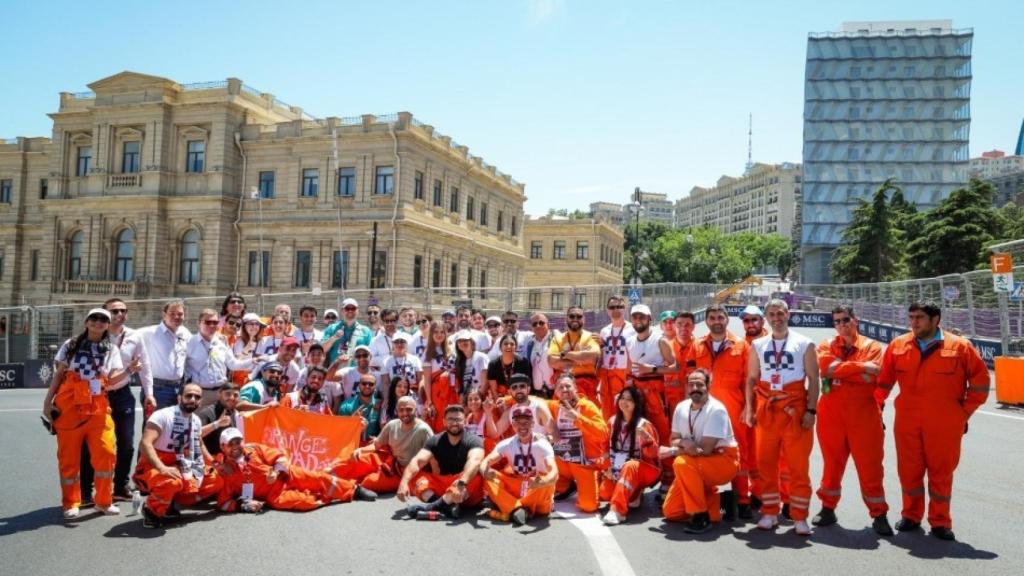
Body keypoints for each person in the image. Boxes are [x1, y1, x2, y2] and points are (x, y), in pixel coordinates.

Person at [875, 301, 989, 541]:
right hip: (907, 421)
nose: (914, 322)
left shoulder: (960, 347)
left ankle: (940, 521)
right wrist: (877, 407)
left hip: (944, 423)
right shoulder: (898, 346)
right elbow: (883, 382)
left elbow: (980, 385)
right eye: (911, 317)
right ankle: (911, 515)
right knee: (909, 471)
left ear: (935, 319)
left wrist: (962, 414)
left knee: (941, 473)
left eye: (919, 318)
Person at [810, 305, 891, 535]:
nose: (841, 324)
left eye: (845, 319)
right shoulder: (826, 345)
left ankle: (879, 514)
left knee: (870, 467)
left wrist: (841, 370)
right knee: (831, 465)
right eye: (836, 321)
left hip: (864, 417)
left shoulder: (871, 346)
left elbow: (873, 374)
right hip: (831, 416)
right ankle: (827, 508)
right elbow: (826, 369)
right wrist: (861, 368)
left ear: (855, 320)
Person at [744, 298, 819, 535]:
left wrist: (811, 410)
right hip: (767, 410)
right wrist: (748, 408)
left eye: (780, 313)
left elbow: (814, 380)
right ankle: (769, 512)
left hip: (794, 410)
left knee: (798, 467)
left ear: (788, 314)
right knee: (766, 465)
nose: (776, 318)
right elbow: (751, 379)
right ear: (766, 317)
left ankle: (799, 516)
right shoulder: (757, 344)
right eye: (772, 314)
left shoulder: (804, 343)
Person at [42, 308, 126, 519]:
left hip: (98, 408)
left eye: (104, 320)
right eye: (95, 318)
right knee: (68, 457)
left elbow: (114, 380)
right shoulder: (70, 345)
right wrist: (47, 403)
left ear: (108, 325)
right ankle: (71, 502)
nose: (99, 322)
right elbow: (59, 374)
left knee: (106, 453)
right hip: (68, 406)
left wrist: (131, 370)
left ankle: (104, 501)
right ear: (87, 322)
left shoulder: (112, 349)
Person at [80, 298, 152, 503]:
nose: (120, 314)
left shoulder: (135, 336)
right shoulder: (93, 336)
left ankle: (120, 485)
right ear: (104, 314)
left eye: (123, 310)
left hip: (122, 394)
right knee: (92, 445)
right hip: (96, 396)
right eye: (115, 311)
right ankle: (86, 490)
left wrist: (150, 393)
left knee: (127, 443)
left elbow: (145, 366)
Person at [214, 427, 374, 513]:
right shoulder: (224, 470)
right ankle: (329, 495)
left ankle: (354, 490)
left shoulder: (254, 448)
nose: (235, 447)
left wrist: (276, 472)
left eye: (238, 442)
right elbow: (223, 503)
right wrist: (244, 506)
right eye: (231, 444)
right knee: (305, 504)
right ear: (222, 447)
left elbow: (281, 458)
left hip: (287, 475)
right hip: (273, 496)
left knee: (319, 478)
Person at [693, 304, 755, 521]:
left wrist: (748, 407)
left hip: (733, 408)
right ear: (707, 321)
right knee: (704, 449)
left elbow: (749, 379)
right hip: (705, 408)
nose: (716, 321)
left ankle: (743, 499)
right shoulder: (697, 345)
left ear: (727, 319)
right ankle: (708, 497)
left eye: (720, 317)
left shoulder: (742, 345)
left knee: (739, 452)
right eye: (712, 317)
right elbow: (690, 378)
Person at [662, 370, 740, 534]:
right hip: (695, 463)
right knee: (671, 512)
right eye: (691, 384)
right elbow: (674, 438)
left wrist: (674, 450)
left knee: (681, 463)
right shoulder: (681, 408)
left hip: (723, 461)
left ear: (709, 386)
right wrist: (684, 442)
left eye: (700, 384)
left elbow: (704, 450)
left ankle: (700, 516)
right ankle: (722, 502)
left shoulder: (717, 410)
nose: (695, 388)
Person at [135, 383, 221, 528]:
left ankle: (169, 503)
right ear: (179, 398)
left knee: (215, 479)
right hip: (154, 464)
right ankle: (151, 510)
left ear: (200, 401)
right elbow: (145, 444)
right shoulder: (162, 415)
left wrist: (213, 462)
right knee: (172, 481)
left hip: (181, 462)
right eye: (189, 396)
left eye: (197, 397)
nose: (193, 399)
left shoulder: (196, 420)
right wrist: (162, 468)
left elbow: (198, 443)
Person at [398, 405, 487, 519]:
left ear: (464, 421)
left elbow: (475, 461)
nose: (454, 423)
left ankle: (434, 506)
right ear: (444, 422)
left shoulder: (474, 440)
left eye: (458, 419)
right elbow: (418, 461)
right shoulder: (435, 440)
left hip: (465, 487)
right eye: (450, 419)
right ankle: (446, 505)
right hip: (444, 487)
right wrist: (403, 482)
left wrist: (461, 483)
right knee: (414, 477)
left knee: (476, 475)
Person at [332, 396, 433, 494]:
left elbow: (434, 455)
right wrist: (361, 450)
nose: (405, 413)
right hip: (392, 467)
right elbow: (376, 445)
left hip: (411, 474)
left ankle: (351, 488)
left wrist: (437, 478)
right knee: (358, 460)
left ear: (415, 410)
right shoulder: (392, 425)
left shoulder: (423, 430)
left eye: (409, 409)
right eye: (401, 410)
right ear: (396, 411)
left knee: (368, 482)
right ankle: (329, 476)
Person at [479, 405, 559, 526]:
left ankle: (512, 508)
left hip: (536, 488)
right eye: (518, 422)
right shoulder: (507, 443)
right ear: (513, 425)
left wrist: (543, 481)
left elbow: (554, 472)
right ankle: (518, 509)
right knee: (489, 478)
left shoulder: (542, 444)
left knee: (548, 480)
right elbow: (487, 461)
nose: (522, 426)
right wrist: (484, 471)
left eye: (526, 422)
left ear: (532, 423)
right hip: (518, 485)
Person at [548, 374, 608, 513]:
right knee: (542, 458)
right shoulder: (554, 406)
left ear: (575, 388)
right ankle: (565, 487)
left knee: (588, 506)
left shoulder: (587, 406)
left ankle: (597, 480)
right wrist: (507, 400)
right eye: (560, 387)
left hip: (584, 463)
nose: (564, 389)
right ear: (556, 392)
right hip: (563, 460)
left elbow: (603, 432)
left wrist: (578, 418)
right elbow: (533, 401)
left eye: (568, 386)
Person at [600, 387, 660, 526]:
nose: (624, 402)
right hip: (617, 467)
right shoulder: (612, 421)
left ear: (636, 404)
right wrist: (606, 467)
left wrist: (646, 439)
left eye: (629, 400)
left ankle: (617, 511)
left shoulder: (644, 425)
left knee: (630, 465)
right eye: (622, 398)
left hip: (644, 469)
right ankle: (635, 493)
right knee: (605, 493)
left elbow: (653, 455)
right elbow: (604, 448)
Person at [625, 304, 678, 447]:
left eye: (641, 317)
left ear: (649, 319)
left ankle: (666, 465)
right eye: (634, 317)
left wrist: (652, 369)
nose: (637, 320)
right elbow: (629, 369)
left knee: (661, 429)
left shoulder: (660, 340)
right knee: (638, 427)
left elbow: (675, 368)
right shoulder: (629, 341)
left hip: (655, 391)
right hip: (637, 391)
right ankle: (645, 463)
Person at [186, 308, 254, 405]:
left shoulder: (222, 342)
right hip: (200, 394)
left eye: (215, 322)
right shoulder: (189, 342)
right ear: (198, 323)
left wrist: (254, 361)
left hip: (222, 393)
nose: (212, 325)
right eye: (208, 322)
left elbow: (233, 364)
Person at [137, 300, 192, 408]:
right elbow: (126, 336)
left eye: (180, 314)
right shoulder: (150, 332)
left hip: (179, 389)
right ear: (164, 315)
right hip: (157, 389)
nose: (176, 317)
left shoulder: (184, 332)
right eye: (172, 313)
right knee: (155, 424)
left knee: (174, 423)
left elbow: (197, 345)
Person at [547, 306, 601, 404]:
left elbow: (592, 357)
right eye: (572, 316)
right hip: (563, 386)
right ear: (566, 319)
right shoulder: (558, 339)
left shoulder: (591, 337)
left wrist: (564, 354)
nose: (575, 319)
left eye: (578, 316)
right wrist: (580, 358)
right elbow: (552, 361)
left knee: (585, 417)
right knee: (561, 417)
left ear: (584, 319)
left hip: (587, 387)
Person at [598, 295, 636, 419]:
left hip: (623, 374)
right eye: (612, 307)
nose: (616, 310)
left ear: (625, 309)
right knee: (607, 411)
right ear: (607, 310)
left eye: (619, 307)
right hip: (607, 375)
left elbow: (633, 354)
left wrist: (629, 376)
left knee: (624, 410)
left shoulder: (632, 329)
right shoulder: (604, 331)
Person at [422, 321, 455, 431]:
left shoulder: (451, 349)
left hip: (452, 390)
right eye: (436, 332)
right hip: (438, 393)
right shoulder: (427, 352)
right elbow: (427, 380)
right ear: (431, 334)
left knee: (454, 418)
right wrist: (429, 401)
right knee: (440, 421)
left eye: (442, 332)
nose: (439, 334)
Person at [321, 298, 374, 365]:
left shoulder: (366, 331)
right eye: (347, 308)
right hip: (336, 371)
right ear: (342, 311)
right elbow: (322, 350)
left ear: (358, 311)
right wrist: (333, 338)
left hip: (357, 372)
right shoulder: (332, 328)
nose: (350, 311)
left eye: (353, 309)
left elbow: (372, 353)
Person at [197, 383, 243, 457]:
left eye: (235, 395)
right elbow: (193, 435)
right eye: (228, 394)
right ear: (219, 394)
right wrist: (217, 424)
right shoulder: (207, 412)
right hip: (211, 461)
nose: (232, 398)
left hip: (232, 458)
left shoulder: (237, 414)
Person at [667, 311, 698, 416]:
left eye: (687, 325)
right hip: (670, 406)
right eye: (679, 324)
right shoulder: (664, 349)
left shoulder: (702, 349)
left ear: (694, 327)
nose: (683, 328)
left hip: (695, 405)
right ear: (674, 326)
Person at [338, 372, 382, 444]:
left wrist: (379, 438)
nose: (367, 386)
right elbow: (340, 431)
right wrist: (352, 421)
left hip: (371, 446)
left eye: (371, 384)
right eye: (364, 383)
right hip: (350, 444)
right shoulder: (346, 406)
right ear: (359, 385)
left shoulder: (381, 405)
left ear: (375, 386)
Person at [380, 332, 424, 404]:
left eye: (402, 341)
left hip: (413, 396)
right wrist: (386, 398)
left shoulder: (415, 360)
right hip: (394, 396)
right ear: (392, 344)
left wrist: (420, 396)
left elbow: (420, 380)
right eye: (396, 342)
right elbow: (385, 383)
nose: (399, 344)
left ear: (407, 344)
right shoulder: (386, 362)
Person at [486, 333, 531, 398]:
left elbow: (527, 386)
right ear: (500, 347)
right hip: (500, 398)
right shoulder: (493, 364)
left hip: (519, 397)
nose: (509, 346)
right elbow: (494, 390)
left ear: (516, 347)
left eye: (512, 344)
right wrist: (499, 403)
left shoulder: (523, 362)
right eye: (505, 344)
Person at [524, 312, 556, 398]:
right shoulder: (530, 344)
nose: (538, 325)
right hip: (537, 393)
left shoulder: (556, 339)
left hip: (555, 391)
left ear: (548, 324)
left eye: (541, 323)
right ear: (531, 327)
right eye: (534, 324)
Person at [452, 330, 490, 401]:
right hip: (468, 400)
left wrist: (476, 400)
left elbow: (485, 383)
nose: (463, 343)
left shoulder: (481, 357)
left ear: (471, 342)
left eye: (465, 340)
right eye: (460, 341)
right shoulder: (459, 362)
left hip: (480, 399)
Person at [232, 313, 264, 386]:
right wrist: (246, 349)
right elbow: (236, 363)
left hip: (256, 376)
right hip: (240, 376)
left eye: (257, 324)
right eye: (251, 324)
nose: (254, 327)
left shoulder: (261, 341)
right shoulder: (239, 341)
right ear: (244, 326)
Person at [464, 388, 500, 453]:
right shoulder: (468, 417)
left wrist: (488, 412)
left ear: (482, 400)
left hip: (489, 453)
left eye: (476, 399)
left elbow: (493, 435)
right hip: (474, 452)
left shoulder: (488, 414)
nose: (473, 402)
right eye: (470, 399)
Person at [369, 308, 400, 373]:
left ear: (397, 321)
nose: (389, 323)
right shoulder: (375, 341)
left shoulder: (406, 337)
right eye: (386, 321)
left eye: (392, 320)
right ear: (382, 322)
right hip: (383, 377)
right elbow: (370, 361)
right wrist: (388, 358)